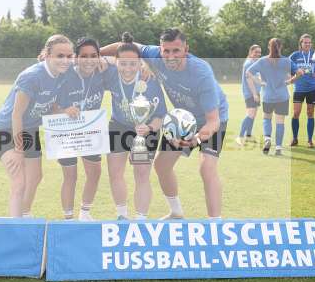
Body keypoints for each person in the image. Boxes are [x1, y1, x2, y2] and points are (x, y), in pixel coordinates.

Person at [101, 28, 229, 219]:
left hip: (212, 120)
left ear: (186, 49)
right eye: (165, 51)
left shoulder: (201, 72)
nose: (170, 56)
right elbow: (125, 46)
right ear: (160, 50)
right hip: (182, 119)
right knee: (161, 165)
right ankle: (176, 212)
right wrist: (95, 54)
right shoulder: (153, 55)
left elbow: (213, 121)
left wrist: (194, 140)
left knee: (207, 168)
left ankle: (215, 224)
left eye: (176, 51)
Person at [0, 34, 73, 217]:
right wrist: (19, 151)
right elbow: (16, 114)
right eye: (60, 55)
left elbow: (47, 105)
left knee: (35, 177)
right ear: (47, 54)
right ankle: (15, 229)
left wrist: (65, 111)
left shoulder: (62, 74)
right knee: (19, 182)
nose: (66, 60)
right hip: (6, 129)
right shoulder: (32, 76)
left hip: (29, 129)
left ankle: (25, 215)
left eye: (69, 56)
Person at [105, 33, 167, 220]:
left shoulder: (150, 79)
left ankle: (141, 219)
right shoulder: (109, 73)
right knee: (115, 173)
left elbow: (161, 115)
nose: (128, 68)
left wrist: (149, 129)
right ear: (115, 62)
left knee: (141, 173)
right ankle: (122, 216)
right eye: (123, 63)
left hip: (146, 131)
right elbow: (87, 61)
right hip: (118, 126)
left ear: (140, 62)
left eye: (133, 63)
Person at [56, 37, 108, 221]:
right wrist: (63, 110)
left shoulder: (103, 71)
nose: (89, 60)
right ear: (76, 58)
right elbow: (49, 103)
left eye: (94, 55)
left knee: (95, 173)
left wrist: (144, 66)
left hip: (91, 130)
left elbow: (125, 59)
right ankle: (68, 218)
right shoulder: (65, 72)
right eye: (84, 56)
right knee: (70, 175)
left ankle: (85, 213)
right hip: (66, 130)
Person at [246, 38, 303, 156]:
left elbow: (248, 72)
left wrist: (260, 82)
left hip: (268, 96)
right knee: (280, 122)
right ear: (281, 47)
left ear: (268, 47)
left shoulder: (262, 61)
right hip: (282, 96)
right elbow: (300, 73)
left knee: (266, 118)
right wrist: (290, 81)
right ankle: (278, 147)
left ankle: (267, 139)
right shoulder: (286, 61)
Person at [289, 34, 315, 148]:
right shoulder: (295, 55)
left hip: (312, 88)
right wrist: (291, 78)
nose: (307, 44)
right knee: (296, 113)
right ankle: (295, 138)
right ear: (301, 43)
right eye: (305, 42)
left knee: (310, 113)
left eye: (309, 42)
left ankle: (310, 140)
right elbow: (287, 66)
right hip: (299, 88)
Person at [236, 44, 262, 146]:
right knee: (250, 114)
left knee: (253, 115)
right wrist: (254, 94)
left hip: (256, 92)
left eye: (259, 52)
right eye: (256, 52)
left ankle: (248, 136)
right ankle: (240, 136)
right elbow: (249, 80)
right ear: (250, 52)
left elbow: (257, 78)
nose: (258, 54)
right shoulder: (248, 63)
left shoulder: (255, 62)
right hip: (251, 93)